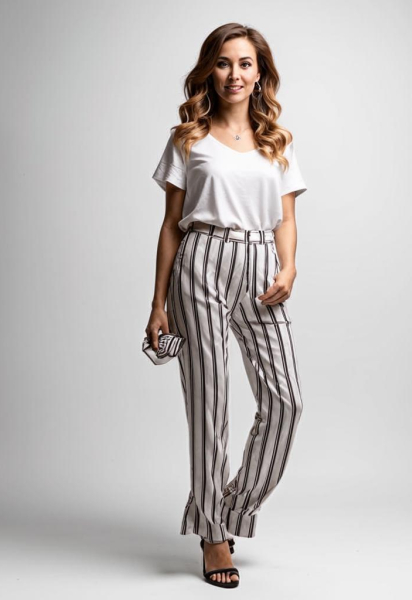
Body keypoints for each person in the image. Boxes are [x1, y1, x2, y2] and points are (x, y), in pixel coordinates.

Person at [145, 22, 308, 589]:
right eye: (222, 62)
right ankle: (214, 534)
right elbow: (171, 224)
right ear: (208, 71)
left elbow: (287, 217)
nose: (233, 74)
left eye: (244, 63)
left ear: (259, 73)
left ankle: (230, 507)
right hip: (201, 262)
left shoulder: (277, 140)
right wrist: (158, 303)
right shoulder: (187, 138)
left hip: (262, 264)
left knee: (286, 401)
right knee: (210, 406)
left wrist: (288, 266)